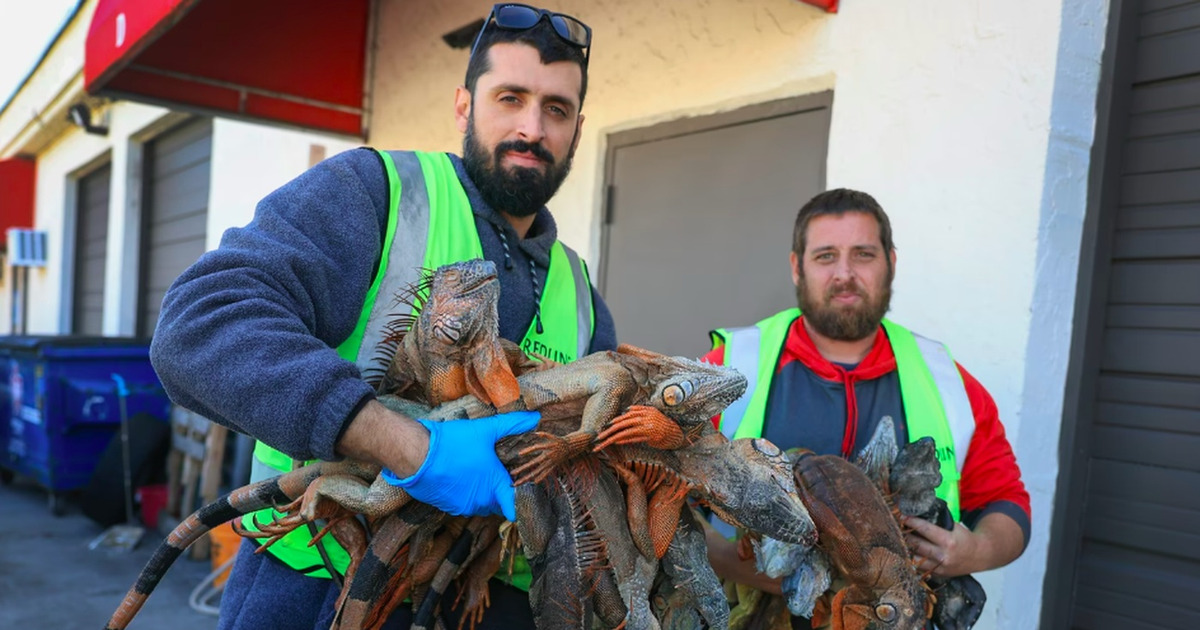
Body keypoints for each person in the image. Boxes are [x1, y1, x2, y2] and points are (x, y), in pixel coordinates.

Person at [149, 5, 610, 629]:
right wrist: (412, 448)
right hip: (313, 589)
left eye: (555, 109)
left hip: (483, 603)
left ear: (577, 130)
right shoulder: (378, 192)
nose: (532, 127)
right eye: (509, 97)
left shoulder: (581, 292)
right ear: (463, 106)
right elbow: (198, 326)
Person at [702, 188, 1030, 624]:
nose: (844, 273)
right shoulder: (729, 367)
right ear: (797, 267)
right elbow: (660, 488)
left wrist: (975, 550)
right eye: (825, 256)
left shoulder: (948, 381)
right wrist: (729, 559)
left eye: (863, 255)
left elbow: (1006, 503)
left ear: (890, 263)